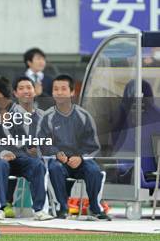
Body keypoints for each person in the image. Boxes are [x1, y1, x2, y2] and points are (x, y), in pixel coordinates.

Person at [38, 75, 111, 220]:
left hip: (81, 160)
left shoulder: (84, 116)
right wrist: (56, 153)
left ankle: (95, 208)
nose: (59, 92)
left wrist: (81, 157)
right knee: (54, 167)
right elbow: (43, 143)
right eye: (56, 89)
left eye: (63, 89)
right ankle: (62, 208)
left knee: (95, 171)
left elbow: (94, 145)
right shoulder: (47, 117)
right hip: (59, 161)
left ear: (72, 92)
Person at [0, 76, 53, 221]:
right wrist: (3, 151)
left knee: (37, 165)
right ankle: (0, 208)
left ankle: (40, 210)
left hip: (19, 156)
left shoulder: (19, 112)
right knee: (0, 165)